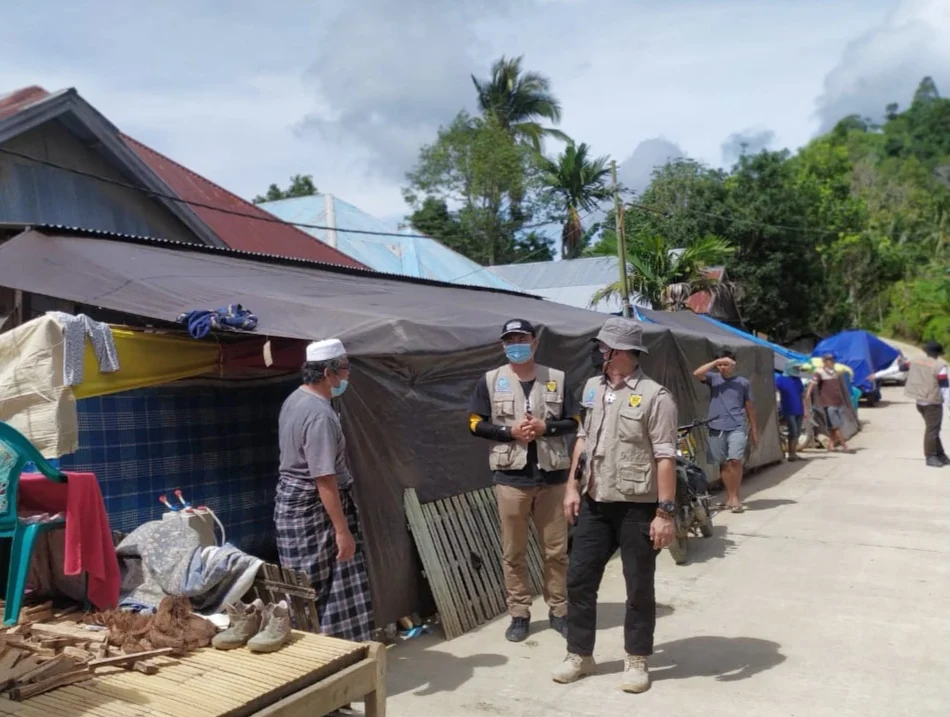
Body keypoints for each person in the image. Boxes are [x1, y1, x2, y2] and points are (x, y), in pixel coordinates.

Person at [552, 317, 677, 694]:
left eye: (603, 347)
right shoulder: (592, 387)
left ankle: (636, 658)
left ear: (620, 353)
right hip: (596, 501)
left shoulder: (657, 397)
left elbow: (665, 457)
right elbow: (583, 439)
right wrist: (572, 487)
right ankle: (580, 655)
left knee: (638, 586)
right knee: (579, 579)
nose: (598, 353)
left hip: (638, 505)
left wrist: (664, 513)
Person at [469, 319, 579, 642]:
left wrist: (548, 428)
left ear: (534, 343)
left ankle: (559, 610)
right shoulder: (490, 381)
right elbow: (474, 423)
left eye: (522, 338)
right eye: (510, 339)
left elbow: (575, 420)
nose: (516, 343)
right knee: (513, 552)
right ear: (503, 345)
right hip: (511, 478)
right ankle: (519, 613)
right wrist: (509, 432)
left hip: (552, 477)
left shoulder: (556, 379)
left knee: (556, 550)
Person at [274, 339, 373, 643]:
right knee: (317, 585)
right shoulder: (320, 415)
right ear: (328, 372)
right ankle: (323, 651)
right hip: (312, 507)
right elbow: (324, 478)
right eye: (344, 370)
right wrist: (342, 531)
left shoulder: (294, 399)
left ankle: (314, 649)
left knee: (302, 584)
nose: (347, 377)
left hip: (291, 501)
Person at [693, 350, 758, 513]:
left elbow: (749, 407)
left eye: (726, 364)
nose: (723, 367)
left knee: (735, 460)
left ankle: (735, 497)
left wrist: (754, 430)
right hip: (716, 425)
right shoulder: (713, 379)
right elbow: (697, 373)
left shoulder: (742, 382)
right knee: (722, 463)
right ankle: (729, 496)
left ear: (734, 365)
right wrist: (715, 363)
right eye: (720, 364)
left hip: (737, 425)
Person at [901, 340, 949, 468]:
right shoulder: (940, 366)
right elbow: (944, 389)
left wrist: (877, 375)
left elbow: (899, 368)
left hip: (920, 403)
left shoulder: (915, 361)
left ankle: (941, 455)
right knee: (932, 431)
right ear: (938, 353)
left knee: (933, 430)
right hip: (933, 403)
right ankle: (931, 456)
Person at [805, 352, 852, 453]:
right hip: (828, 403)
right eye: (829, 360)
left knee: (833, 426)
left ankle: (830, 446)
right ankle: (844, 446)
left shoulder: (834, 372)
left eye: (832, 360)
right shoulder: (819, 372)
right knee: (836, 425)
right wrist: (807, 395)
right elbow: (812, 383)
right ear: (824, 362)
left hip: (837, 402)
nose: (831, 362)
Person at [775, 363, 806, 462]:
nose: (797, 370)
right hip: (788, 409)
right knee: (793, 432)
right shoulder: (780, 379)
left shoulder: (797, 379)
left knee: (797, 432)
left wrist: (806, 409)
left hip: (799, 409)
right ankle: (791, 454)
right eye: (795, 368)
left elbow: (802, 395)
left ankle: (793, 453)